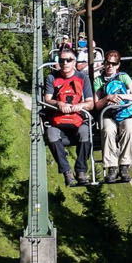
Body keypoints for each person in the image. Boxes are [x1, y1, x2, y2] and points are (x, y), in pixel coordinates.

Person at [42, 49, 96, 186]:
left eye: (68, 60)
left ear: (74, 62)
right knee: (51, 135)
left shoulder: (82, 78)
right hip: (58, 119)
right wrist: (58, 103)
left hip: (77, 119)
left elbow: (90, 103)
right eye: (61, 61)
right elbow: (47, 99)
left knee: (86, 133)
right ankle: (66, 171)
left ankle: (81, 170)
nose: (65, 63)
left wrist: (81, 105)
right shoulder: (52, 78)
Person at [99, 50, 132, 183]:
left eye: (113, 63)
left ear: (118, 65)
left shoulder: (123, 77)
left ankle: (124, 165)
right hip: (108, 113)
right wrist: (108, 98)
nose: (110, 66)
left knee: (129, 127)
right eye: (108, 63)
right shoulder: (98, 81)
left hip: (124, 112)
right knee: (107, 130)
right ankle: (111, 167)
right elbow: (96, 105)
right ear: (104, 63)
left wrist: (122, 96)